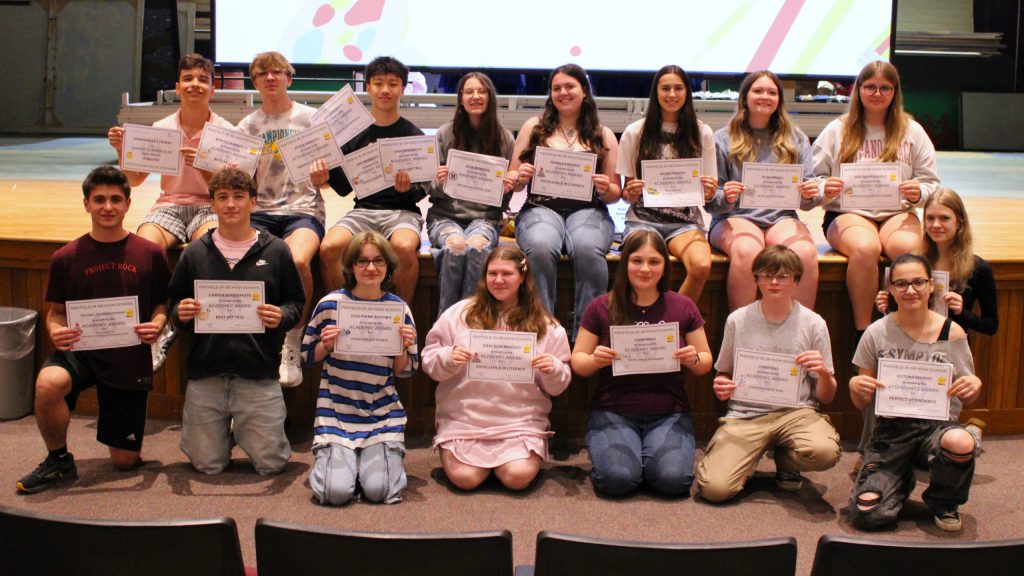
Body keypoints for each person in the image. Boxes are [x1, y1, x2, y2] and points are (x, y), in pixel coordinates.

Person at [17, 166, 171, 493]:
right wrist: (56, 330)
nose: (107, 206)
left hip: (128, 356)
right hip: (82, 351)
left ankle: (124, 443)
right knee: (48, 384)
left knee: (125, 461)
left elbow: (162, 305)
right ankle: (58, 460)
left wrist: (157, 324)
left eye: (116, 199)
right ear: (86, 204)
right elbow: (55, 313)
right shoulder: (65, 257)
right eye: (99, 199)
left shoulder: (151, 253)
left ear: (129, 204)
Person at [167, 168, 304, 475]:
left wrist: (282, 316)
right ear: (212, 204)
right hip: (207, 373)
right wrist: (181, 312)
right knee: (207, 465)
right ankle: (222, 433)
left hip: (257, 372)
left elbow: (296, 304)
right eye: (223, 197)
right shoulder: (194, 254)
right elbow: (173, 302)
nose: (230, 204)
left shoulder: (277, 251)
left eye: (239, 197)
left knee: (273, 464)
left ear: (253, 202)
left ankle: (247, 427)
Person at [106, 53, 233, 370]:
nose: (195, 85)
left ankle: (190, 327)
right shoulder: (161, 128)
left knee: (211, 251)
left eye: (202, 79)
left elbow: (228, 188)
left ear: (212, 88)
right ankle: (158, 324)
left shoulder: (224, 131)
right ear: (177, 86)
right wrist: (121, 150)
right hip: (170, 205)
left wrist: (202, 167)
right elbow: (134, 180)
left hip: (208, 206)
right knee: (143, 251)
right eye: (188, 79)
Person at [571, 230, 712, 497]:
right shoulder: (602, 306)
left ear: (664, 266)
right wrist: (595, 360)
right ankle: (633, 462)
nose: (645, 269)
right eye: (637, 261)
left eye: (654, 262)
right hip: (613, 411)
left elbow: (705, 361)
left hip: (669, 413)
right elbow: (578, 362)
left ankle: (646, 461)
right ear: (625, 264)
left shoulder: (683, 306)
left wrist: (692, 358)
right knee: (617, 481)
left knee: (674, 483)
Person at [695, 245, 840, 502]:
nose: (774, 282)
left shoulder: (814, 323)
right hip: (746, 414)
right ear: (756, 280)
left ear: (796, 280)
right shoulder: (738, 320)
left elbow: (826, 397)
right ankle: (747, 460)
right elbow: (723, 374)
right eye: (765, 275)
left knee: (824, 451)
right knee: (715, 490)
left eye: (783, 276)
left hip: (796, 413)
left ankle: (787, 458)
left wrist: (824, 374)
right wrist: (721, 386)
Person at [849, 254, 981, 532]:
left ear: (932, 285)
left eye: (918, 282)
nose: (910, 290)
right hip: (890, 432)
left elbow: (967, 392)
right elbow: (861, 401)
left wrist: (974, 385)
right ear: (891, 289)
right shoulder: (875, 333)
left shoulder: (951, 332)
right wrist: (855, 387)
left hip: (936, 428)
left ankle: (944, 501)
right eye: (902, 284)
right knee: (867, 515)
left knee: (960, 441)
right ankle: (899, 477)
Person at [422, 246, 571, 491]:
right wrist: (448, 357)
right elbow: (429, 361)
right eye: (492, 274)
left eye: (507, 274)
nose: (498, 280)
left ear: (522, 278)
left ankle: (508, 460)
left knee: (517, 477)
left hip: (520, 420)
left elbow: (559, 385)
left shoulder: (545, 324)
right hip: (465, 417)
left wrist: (553, 369)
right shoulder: (459, 314)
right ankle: (477, 460)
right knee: (465, 479)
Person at [812, 60, 939, 342]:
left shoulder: (912, 131)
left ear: (895, 92)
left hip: (896, 212)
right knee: (866, 248)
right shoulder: (838, 129)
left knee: (908, 249)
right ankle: (864, 331)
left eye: (885, 87)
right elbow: (812, 178)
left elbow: (932, 182)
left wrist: (918, 193)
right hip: (848, 212)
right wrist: (826, 188)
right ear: (858, 90)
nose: (877, 93)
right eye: (870, 86)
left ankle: (908, 324)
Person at [301, 231, 418, 505]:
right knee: (335, 494)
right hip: (336, 412)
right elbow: (306, 355)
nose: (370, 268)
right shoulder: (330, 304)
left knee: (379, 491)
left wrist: (401, 346)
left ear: (388, 266)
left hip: (381, 413)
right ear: (350, 266)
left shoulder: (398, 309)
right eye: (362, 261)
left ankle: (367, 461)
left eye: (378, 261)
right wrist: (326, 346)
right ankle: (344, 461)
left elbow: (405, 370)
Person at [236, 51, 330, 388]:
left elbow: (328, 175)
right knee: (246, 265)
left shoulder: (311, 119)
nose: (271, 78)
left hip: (302, 210)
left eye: (277, 72)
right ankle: (253, 342)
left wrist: (322, 176)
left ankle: (293, 341)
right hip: (260, 212)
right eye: (263, 73)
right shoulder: (247, 126)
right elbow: (239, 178)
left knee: (297, 260)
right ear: (255, 81)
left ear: (289, 78)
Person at [510, 63, 622, 339]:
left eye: (570, 86)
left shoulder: (603, 134)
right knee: (539, 245)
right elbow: (511, 179)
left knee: (587, 248)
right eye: (556, 88)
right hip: (541, 207)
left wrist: (606, 187)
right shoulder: (533, 127)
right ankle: (544, 331)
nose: (563, 93)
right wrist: (519, 176)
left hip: (589, 211)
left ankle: (586, 333)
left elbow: (615, 194)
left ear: (584, 91)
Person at [708, 70, 821, 310]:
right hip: (733, 216)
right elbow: (710, 201)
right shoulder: (721, 139)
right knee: (748, 250)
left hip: (781, 217)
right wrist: (726, 195)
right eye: (758, 91)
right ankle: (741, 338)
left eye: (771, 92)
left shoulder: (796, 139)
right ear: (745, 97)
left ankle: (801, 336)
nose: (765, 97)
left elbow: (807, 202)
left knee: (804, 252)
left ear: (779, 99)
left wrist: (810, 194)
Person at [321, 56, 427, 304]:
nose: (385, 90)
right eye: (379, 83)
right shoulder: (353, 134)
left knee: (404, 247)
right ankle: (339, 315)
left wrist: (407, 189)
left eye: (393, 83)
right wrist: (324, 175)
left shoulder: (413, 134)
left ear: (403, 88)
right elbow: (343, 187)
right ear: (368, 88)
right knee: (328, 249)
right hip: (363, 211)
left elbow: (423, 189)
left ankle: (402, 321)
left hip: (402, 212)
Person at [617, 64, 717, 303]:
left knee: (702, 265)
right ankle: (643, 325)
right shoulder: (635, 132)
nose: (672, 94)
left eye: (678, 88)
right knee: (644, 270)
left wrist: (710, 192)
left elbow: (709, 192)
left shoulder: (702, 132)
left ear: (687, 93)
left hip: (685, 223)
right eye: (665, 88)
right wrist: (630, 192)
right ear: (656, 92)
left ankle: (676, 320)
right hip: (643, 220)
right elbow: (625, 192)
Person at [428, 72, 516, 316]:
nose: (475, 96)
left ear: (490, 97)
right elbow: (430, 189)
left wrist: (507, 186)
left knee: (476, 248)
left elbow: (503, 202)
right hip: (445, 216)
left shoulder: (504, 138)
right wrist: (441, 181)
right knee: (456, 247)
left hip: (485, 219)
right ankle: (445, 326)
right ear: (461, 98)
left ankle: (470, 322)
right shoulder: (444, 134)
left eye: (481, 91)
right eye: (469, 92)